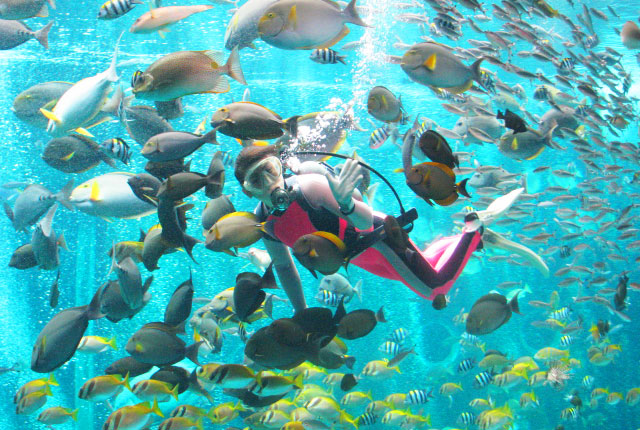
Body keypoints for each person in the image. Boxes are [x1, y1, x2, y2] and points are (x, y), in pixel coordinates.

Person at [234, 145, 547, 312]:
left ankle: (473, 231)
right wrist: (301, 313)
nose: (269, 183)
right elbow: (284, 268)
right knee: (428, 265)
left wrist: (345, 202)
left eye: (270, 170)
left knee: (434, 289)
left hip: (381, 238)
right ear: (248, 192)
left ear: (280, 166)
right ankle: (472, 238)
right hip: (360, 258)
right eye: (256, 180)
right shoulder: (265, 224)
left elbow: (364, 221)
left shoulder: (310, 187)